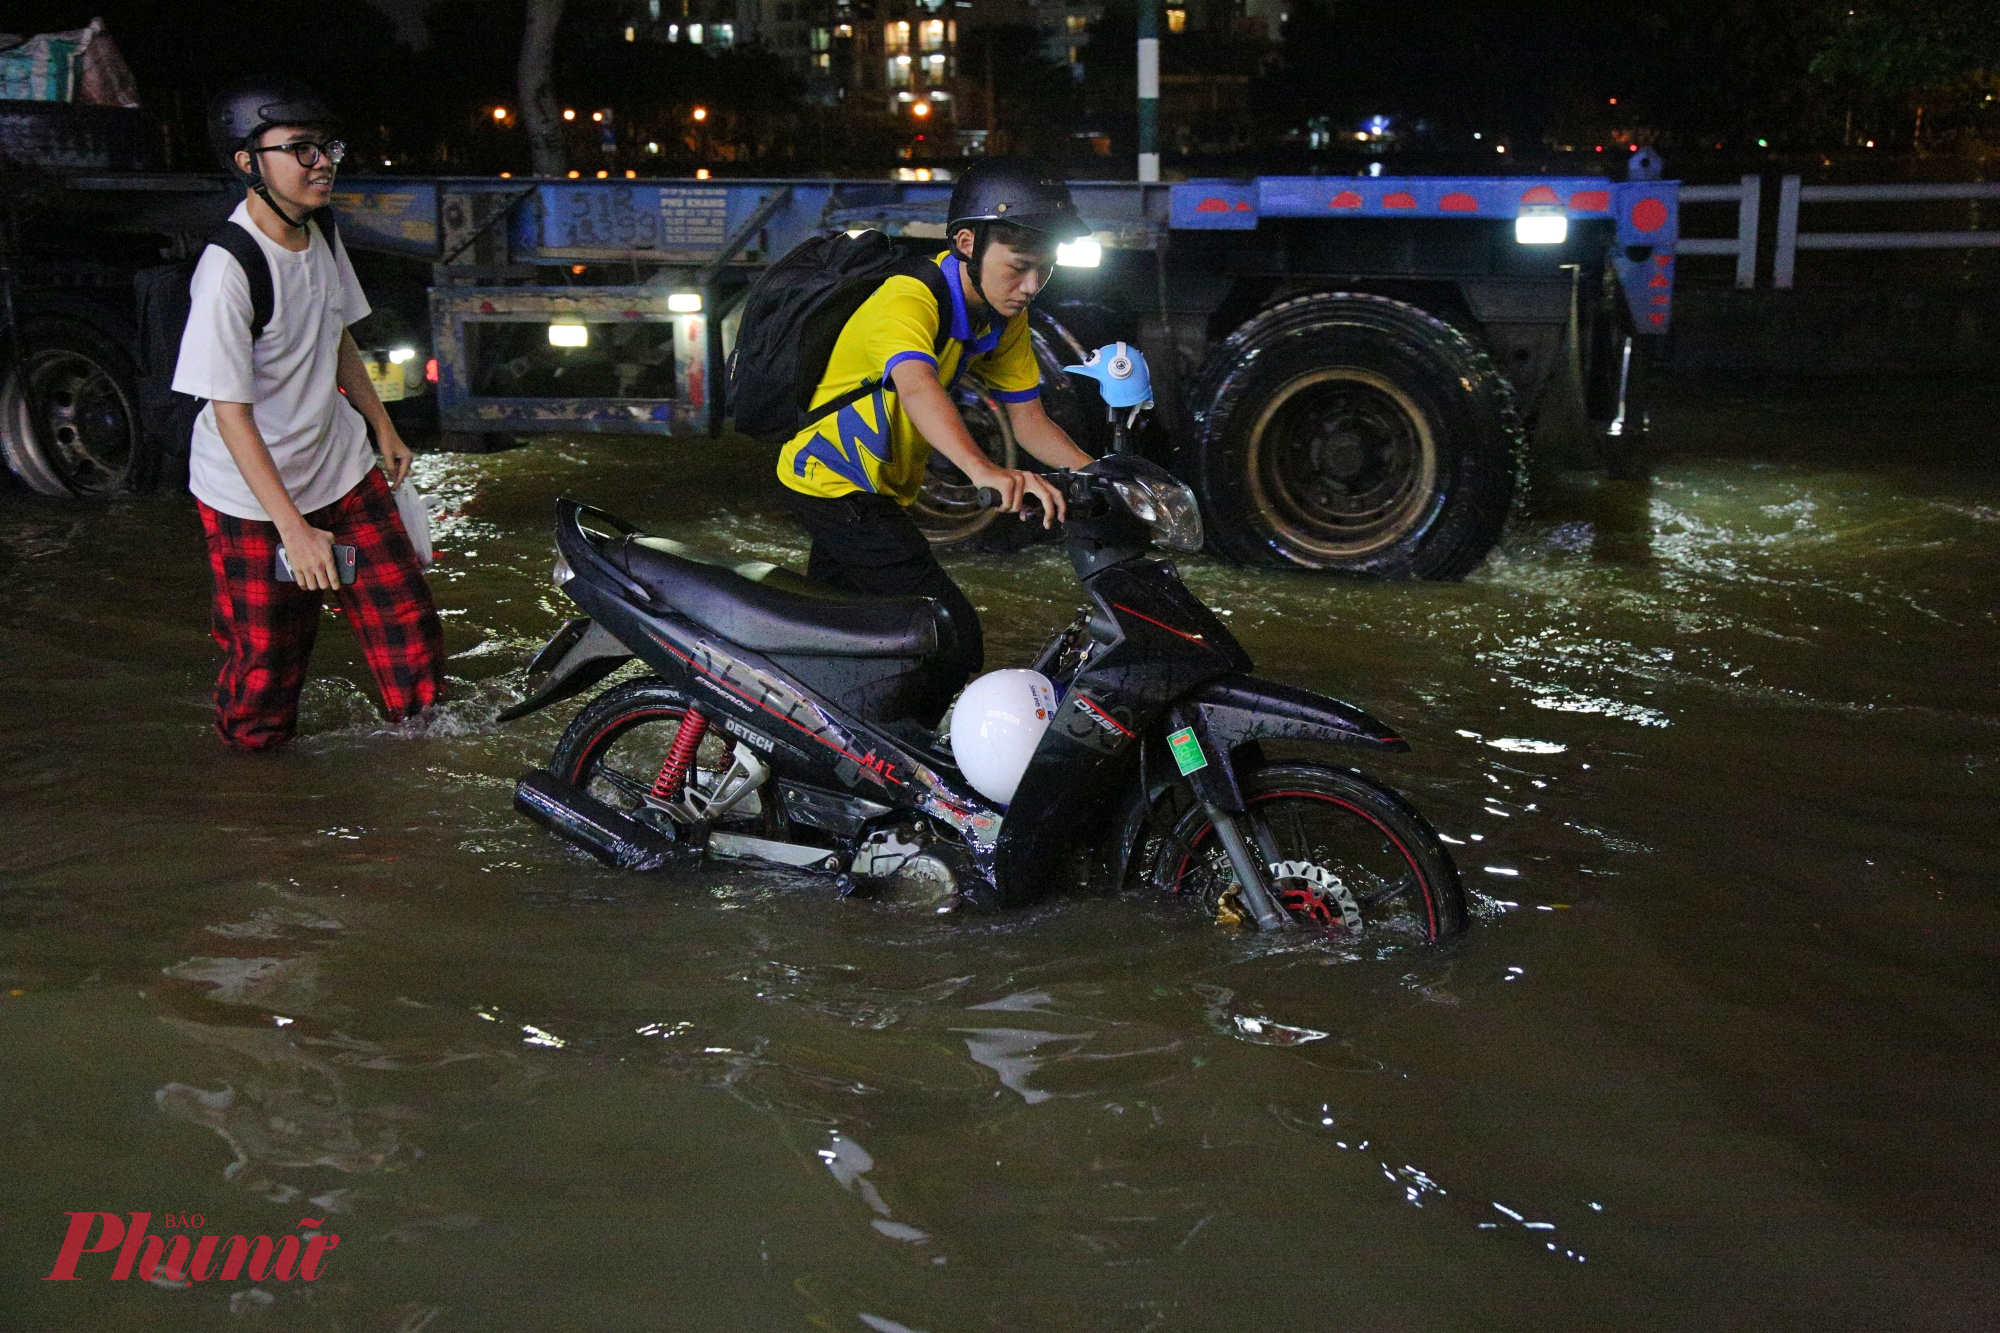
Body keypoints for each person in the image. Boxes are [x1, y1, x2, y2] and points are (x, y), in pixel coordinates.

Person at [173, 79, 444, 751]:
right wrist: (293, 531)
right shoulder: (228, 270)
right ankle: (259, 809)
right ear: (247, 162)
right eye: (299, 148)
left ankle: (427, 772)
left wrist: (382, 425)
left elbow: (336, 333)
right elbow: (229, 414)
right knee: (267, 668)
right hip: (252, 502)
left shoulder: (317, 228)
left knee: (406, 627)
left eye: (326, 146)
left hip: (342, 472)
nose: (322, 161)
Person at [776, 157, 1096, 721]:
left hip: (877, 495)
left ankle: (811, 753)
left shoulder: (1004, 316)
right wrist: (984, 470)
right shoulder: (909, 297)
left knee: (830, 642)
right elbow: (919, 387)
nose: (1030, 288)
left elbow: (1029, 421)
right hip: (835, 489)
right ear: (967, 242)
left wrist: (1104, 478)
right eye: (1018, 268)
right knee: (947, 634)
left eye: (1042, 272)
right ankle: (905, 769)